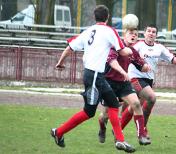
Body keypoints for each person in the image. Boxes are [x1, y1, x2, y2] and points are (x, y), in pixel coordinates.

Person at [50, 5, 135, 153]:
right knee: (90, 111)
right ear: (107, 17)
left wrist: (60, 63)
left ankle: (120, 141)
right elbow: (122, 51)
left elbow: (70, 47)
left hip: (92, 75)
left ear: (94, 17)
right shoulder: (110, 31)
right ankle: (58, 132)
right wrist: (131, 50)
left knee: (112, 104)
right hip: (95, 75)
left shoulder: (88, 31)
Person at [124, 24, 176, 144]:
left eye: (153, 32)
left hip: (148, 81)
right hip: (135, 78)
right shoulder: (138, 45)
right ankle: (142, 133)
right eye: (148, 31)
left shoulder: (160, 48)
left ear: (156, 35)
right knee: (151, 98)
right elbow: (128, 56)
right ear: (144, 33)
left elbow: (172, 59)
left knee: (133, 107)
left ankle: (118, 129)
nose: (151, 33)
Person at [98, 28, 151, 145]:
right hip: (109, 83)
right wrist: (123, 72)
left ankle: (141, 136)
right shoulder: (116, 46)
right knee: (105, 115)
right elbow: (112, 61)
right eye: (131, 33)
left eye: (136, 34)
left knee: (136, 104)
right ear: (124, 35)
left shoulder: (132, 51)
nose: (134, 36)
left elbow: (141, 65)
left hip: (123, 83)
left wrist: (146, 66)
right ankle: (102, 126)